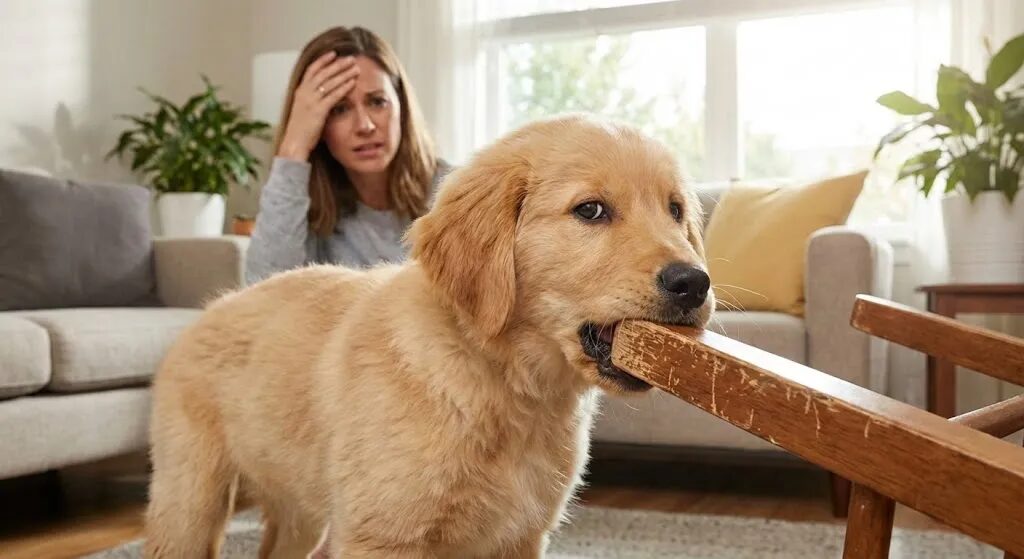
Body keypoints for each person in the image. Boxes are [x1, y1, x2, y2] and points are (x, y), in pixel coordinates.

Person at [246, 26, 450, 284]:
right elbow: (261, 293)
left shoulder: (451, 192)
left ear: (402, 105)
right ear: (317, 124)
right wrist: (294, 147)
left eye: (377, 102)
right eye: (339, 109)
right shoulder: (304, 207)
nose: (365, 126)